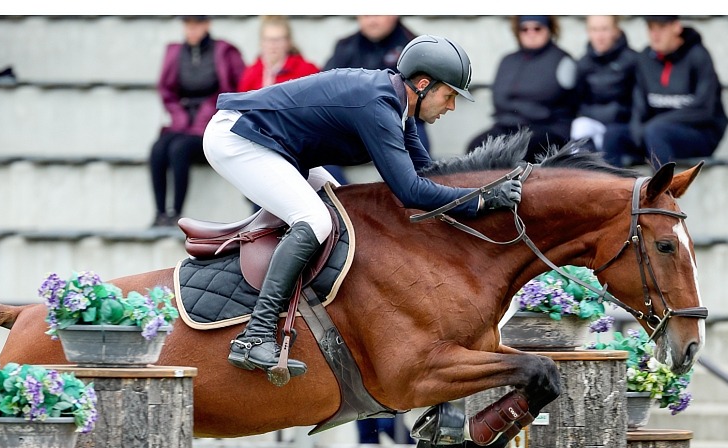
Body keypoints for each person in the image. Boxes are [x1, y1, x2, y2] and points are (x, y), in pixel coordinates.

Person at [203, 35, 523, 382]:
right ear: (423, 84)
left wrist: (484, 193)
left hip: (275, 145)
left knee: (344, 216)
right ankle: (256, 335)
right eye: (449, 96)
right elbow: (410, 191)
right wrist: (480, 199)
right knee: (315, 220)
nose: (451, 107)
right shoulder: (377, 107)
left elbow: (427, 174)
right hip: (237, 137)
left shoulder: (400, 109)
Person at [149, 16, 245, 228]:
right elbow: (167, 90)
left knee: (178, 149)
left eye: (197, 24)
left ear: (207, 25)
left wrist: (208, 112)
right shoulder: (175, 53)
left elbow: (238, 88)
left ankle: (176, 213)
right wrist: (179, 115)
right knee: (157, 149)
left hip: (212, 124)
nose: (192, 30)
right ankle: (159, 213)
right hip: (183, 122)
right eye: (188, 25)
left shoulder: (225, 51)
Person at [602, 16, 728, 168]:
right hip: (652, 132)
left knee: (656, 132)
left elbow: (704, 110)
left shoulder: (698, 56)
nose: (655, 35)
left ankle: (661, 191)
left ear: (676, 27)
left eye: (661, 28)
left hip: (698, 135)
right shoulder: (645, 58)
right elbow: (640, 103)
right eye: (651, 28)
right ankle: (615, 190)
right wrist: (636, 129)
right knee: (613, 135)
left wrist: (657, 124)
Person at [323, 15, 430, 179]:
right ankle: (341, 202)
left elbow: (421, 101)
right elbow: (326, 92)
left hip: (397, 126)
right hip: (351, 126)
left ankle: (401, 199)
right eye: (365, 14)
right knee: (316, 145)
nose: (371, 20)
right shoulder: (345, 47)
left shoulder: (414, 46)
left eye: (377, 13)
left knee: (417, 137)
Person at [466, 15, 578, 163]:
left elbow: (556, 99)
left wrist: (518, 106)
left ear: (549, 29)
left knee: (520, 153)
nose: (531, 33)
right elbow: (498, 98)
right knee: (475, 147)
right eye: (524, 29)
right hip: (507, 127)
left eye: (537, 28)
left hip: (547, 130)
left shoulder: (562, 60)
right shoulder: (508, 61)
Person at [570, 15, 638, 153]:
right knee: (579, 126)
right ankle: (582, 169)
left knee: (611, 137)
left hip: (622, 126)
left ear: (616, 30)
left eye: (604, 29)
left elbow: (638, 101)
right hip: (593, 121)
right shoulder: (583, 63)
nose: (599, 36)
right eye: (594, 30)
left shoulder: (633, 60)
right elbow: (577, 100)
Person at [238, 15, 319, 93]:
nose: (273, 45)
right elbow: (241, 102)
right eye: (268, 40)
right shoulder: (251, 73)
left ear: (288, 42)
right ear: (261, 42)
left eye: (278, 40)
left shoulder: (307, 71)